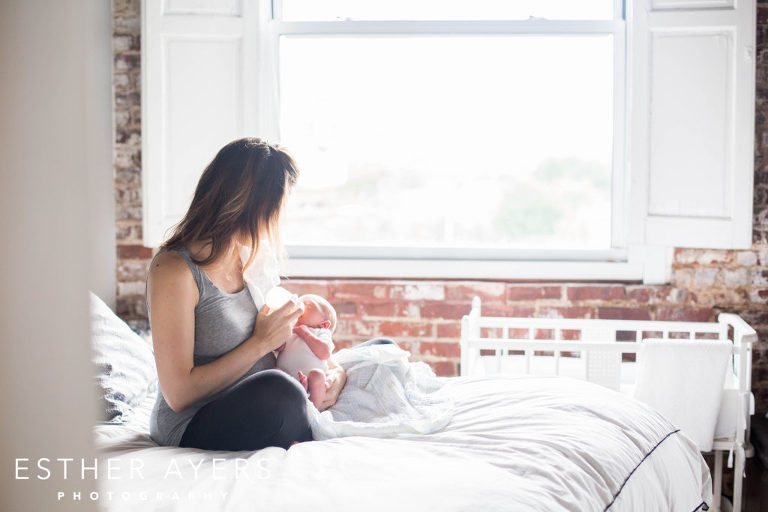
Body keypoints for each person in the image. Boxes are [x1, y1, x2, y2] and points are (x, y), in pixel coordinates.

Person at [145, 137, 394, 452]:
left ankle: (312, 410)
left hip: (274, 387)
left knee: (382, 352)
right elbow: (178, 395)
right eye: (276, 209)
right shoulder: (174, 271)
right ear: (251, 206)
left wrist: (336, 375)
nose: (276, 221)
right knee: (282, 392)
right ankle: (307, 415)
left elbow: (285, 345)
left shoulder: (248, 256)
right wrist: (259, 344)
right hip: (197, 420)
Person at [276, 294, 337, 409]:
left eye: (307, 304)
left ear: (324, 324)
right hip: (288, 378)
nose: (300, 306)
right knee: (275, 372)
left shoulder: (321, 333)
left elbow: (325, 353)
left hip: (311, 381)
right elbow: (279, 346)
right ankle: (289, 398)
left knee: (318, 375)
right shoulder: (291, 330)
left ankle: (313, 409)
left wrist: (305, 334)